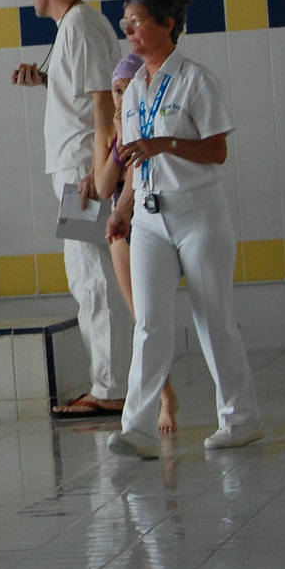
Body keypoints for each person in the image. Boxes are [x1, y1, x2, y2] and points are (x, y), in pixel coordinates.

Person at [105, 0, 262, 460]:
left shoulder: (196, 81)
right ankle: (138, 429)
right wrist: (124, 208)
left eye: (137, 21)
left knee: (213, 318)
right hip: (150, 217)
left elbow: (217, 151)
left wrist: (168, 144)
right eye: (125, 21)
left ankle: (241, 419)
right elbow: (135, 160)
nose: (128, 29)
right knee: (149, 323)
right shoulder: (134, 88)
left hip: (198, 212)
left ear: (167, 24)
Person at [12, 0, 128, 417]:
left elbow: (104, 103)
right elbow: (83, 93)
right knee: (90, 276)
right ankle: (111, 383)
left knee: (92, 277)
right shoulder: (75, 25)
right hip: (80, 168)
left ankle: (109, 388)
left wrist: (97, 173)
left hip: (82, 171)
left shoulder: (79, 26)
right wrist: (43, 80)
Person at [92, 53, 178, 433]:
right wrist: (117, 143)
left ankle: (163, 397)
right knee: (141, 318)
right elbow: (103, 186)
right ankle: (165, 397)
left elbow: (136, 179)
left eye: (128, 89)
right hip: (122, 229)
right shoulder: (106, 132)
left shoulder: (151, 124)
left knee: (155, 317)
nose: (121, 97)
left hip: (152, 217)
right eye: (116, 90)